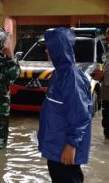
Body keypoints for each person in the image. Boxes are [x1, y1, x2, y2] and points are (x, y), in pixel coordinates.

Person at [38, 27, 92, 183]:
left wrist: (71, 144)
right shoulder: (59, 73)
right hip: (56, 146)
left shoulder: (71, 77)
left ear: (58, 48)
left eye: (49, 47)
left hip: (64, 149)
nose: (47, 51)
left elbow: (81, 114)